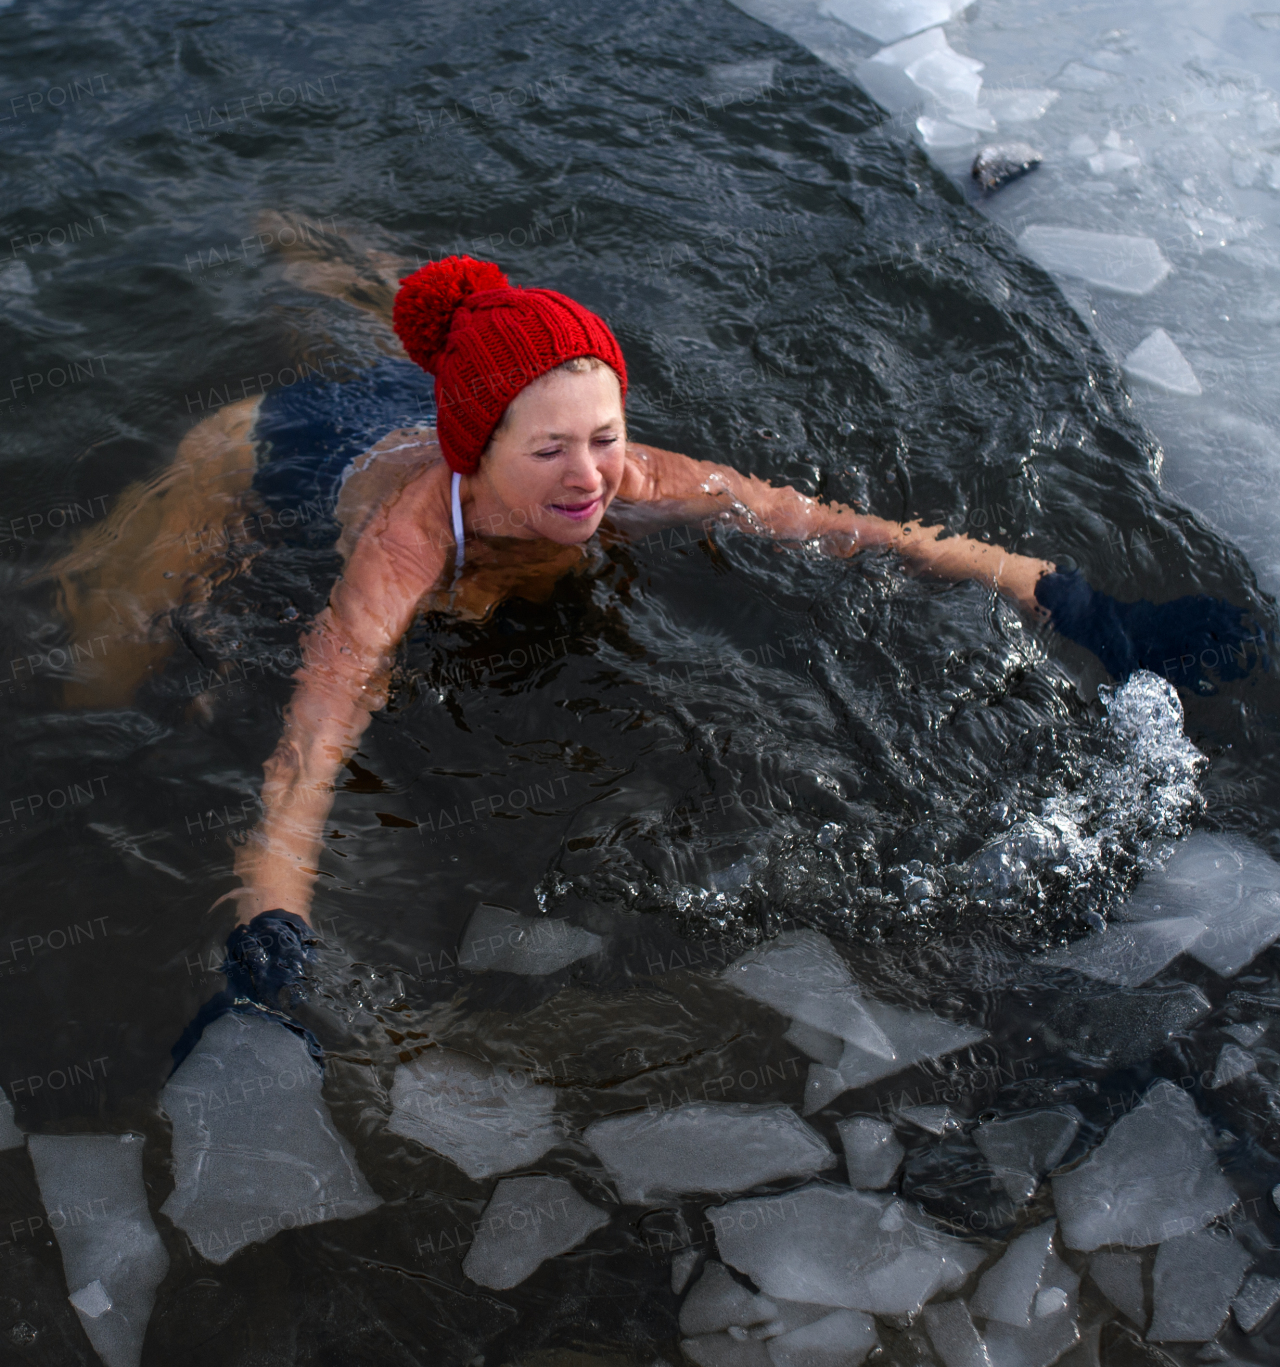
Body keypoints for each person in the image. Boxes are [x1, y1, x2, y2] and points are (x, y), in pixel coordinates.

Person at [49, 243, 1262, 1049]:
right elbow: (313, 747)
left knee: (387, 314)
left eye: (605, 437)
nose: (591, 480)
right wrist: (271, 929)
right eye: (553, 453)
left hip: (436, 406)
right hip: (287, 443)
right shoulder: (406, 551)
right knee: (106, 672)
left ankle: (324, 258)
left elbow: (853, 531)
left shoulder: (629, 474)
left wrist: (1075, 601)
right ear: (478, 452)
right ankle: (294, 260)